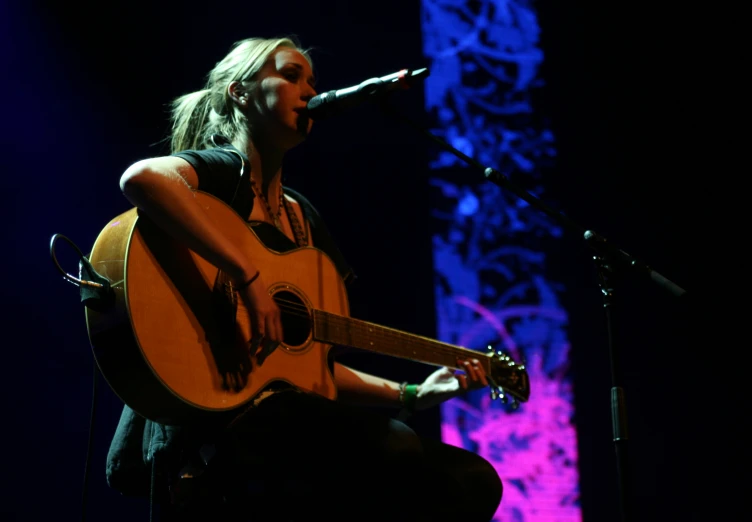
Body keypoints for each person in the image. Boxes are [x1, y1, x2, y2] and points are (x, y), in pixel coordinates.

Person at [107, 35, 503, 522]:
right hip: (215, 414)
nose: (309, 89)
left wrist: (414, 394)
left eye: (312, 81)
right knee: (390, 447)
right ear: (240, 92)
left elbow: (310, 365)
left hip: (288, 414)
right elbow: (142, 178)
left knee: (472, 482)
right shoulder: (219, 173)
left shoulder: (300, 217)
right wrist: (248, 278)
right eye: (290, 75)